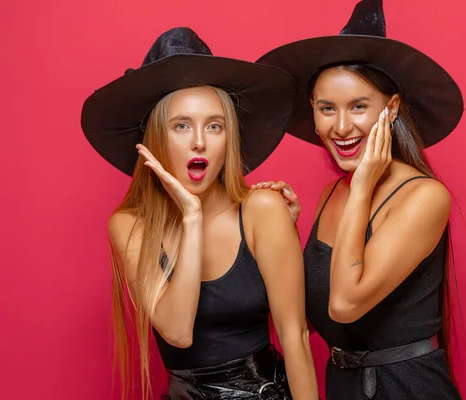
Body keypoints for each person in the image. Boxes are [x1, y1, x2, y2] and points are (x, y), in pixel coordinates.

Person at [81, 27, 318, 400]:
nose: (199, 141)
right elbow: (177, 331)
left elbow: (297, 336)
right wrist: (192, 218)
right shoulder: (128, 224)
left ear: (230, 138)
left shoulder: (261, 209)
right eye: (181, 126)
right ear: (156, 140)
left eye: (214, 125)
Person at [254, 0, 464, 398]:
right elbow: (309, 319)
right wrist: (282, 228)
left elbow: (345, 305)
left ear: (392, 108)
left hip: (407, 388)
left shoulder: (423, 196)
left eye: (359, 107)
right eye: (326, 109)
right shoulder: (331, 194)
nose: (342, 126)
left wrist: (364, 187)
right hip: (345, 384)